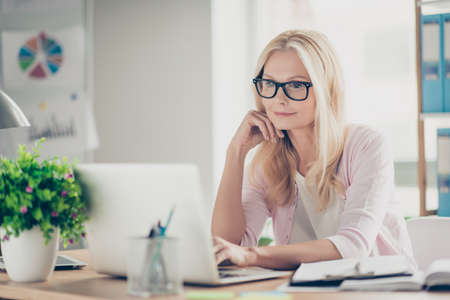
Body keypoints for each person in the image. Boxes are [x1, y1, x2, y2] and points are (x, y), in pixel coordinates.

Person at [211, 29, 416, 270]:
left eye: (296, 85)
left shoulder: (367, 145)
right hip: (306, 292)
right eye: (269, 84)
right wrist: (235, 152)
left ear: (325, 90)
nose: (279, 98)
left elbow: (353, 246)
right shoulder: (266, 163)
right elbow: (229, 247)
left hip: (378, 290)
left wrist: (252, 255)